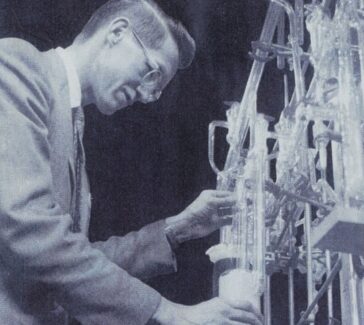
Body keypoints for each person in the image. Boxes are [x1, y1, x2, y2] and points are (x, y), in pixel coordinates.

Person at [0, 0, 263, 324]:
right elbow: (29, 230)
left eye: (158, 89)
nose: (147, 94)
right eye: (152, 72)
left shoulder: (71, 126)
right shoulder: (17, 65)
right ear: (117, 32)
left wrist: (177, 229)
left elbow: (72, 263)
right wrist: (169, 312)